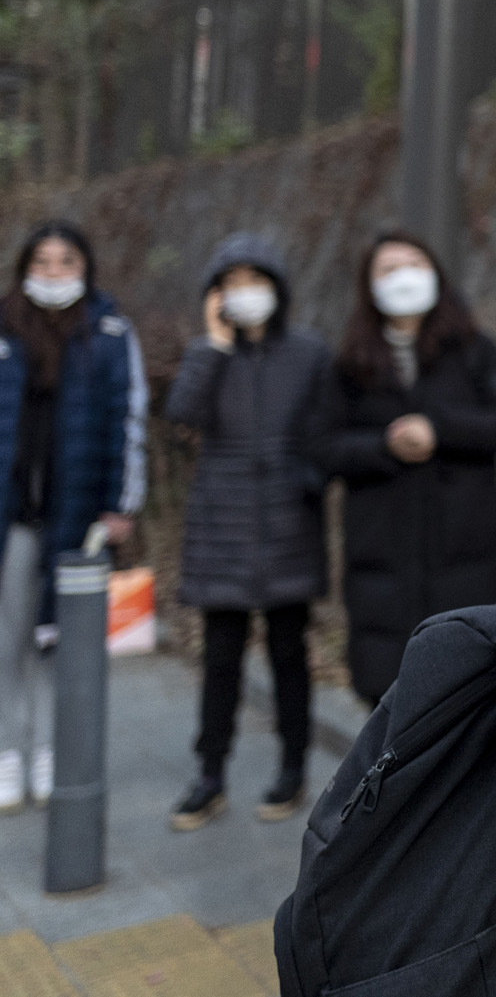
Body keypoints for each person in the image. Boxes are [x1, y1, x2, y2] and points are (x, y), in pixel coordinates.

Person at [311, 233, 496, 705]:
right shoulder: (351, 364)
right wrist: (384, 445)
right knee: (386, 697)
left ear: (436, 276)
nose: (403, 276)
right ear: (368, 285)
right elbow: (324, 447)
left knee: (470, 690)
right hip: (381, 556)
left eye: (414, 263)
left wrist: (440, 430)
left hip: (466, 550)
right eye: (388, 269)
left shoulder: (474, 349)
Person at [163, 233, 334, 830]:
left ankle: (292, 767)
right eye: (231, 282)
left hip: (289, 523)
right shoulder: (206, 355)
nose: (245, 293)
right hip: (221, 527)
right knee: (221, 658)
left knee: (290, 653)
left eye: (254, 280)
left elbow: (326, 430)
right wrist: (211, 345)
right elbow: (181, 416)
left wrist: (306, 480)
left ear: (277, 288)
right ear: (216, 294)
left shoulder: (309, 353)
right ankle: (209, 774)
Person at [0, 222, 146, 815]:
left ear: (85, 268)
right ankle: (9, 752)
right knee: (7, 642)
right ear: (24, 267)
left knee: (68, 644)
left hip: (80, 516)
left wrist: (122, 506)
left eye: (66, 261)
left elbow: (128, 420)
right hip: (12, 517)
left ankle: (55, 754)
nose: (54, 271)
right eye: (43, 260)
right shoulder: (4, 328)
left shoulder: (110, 333)